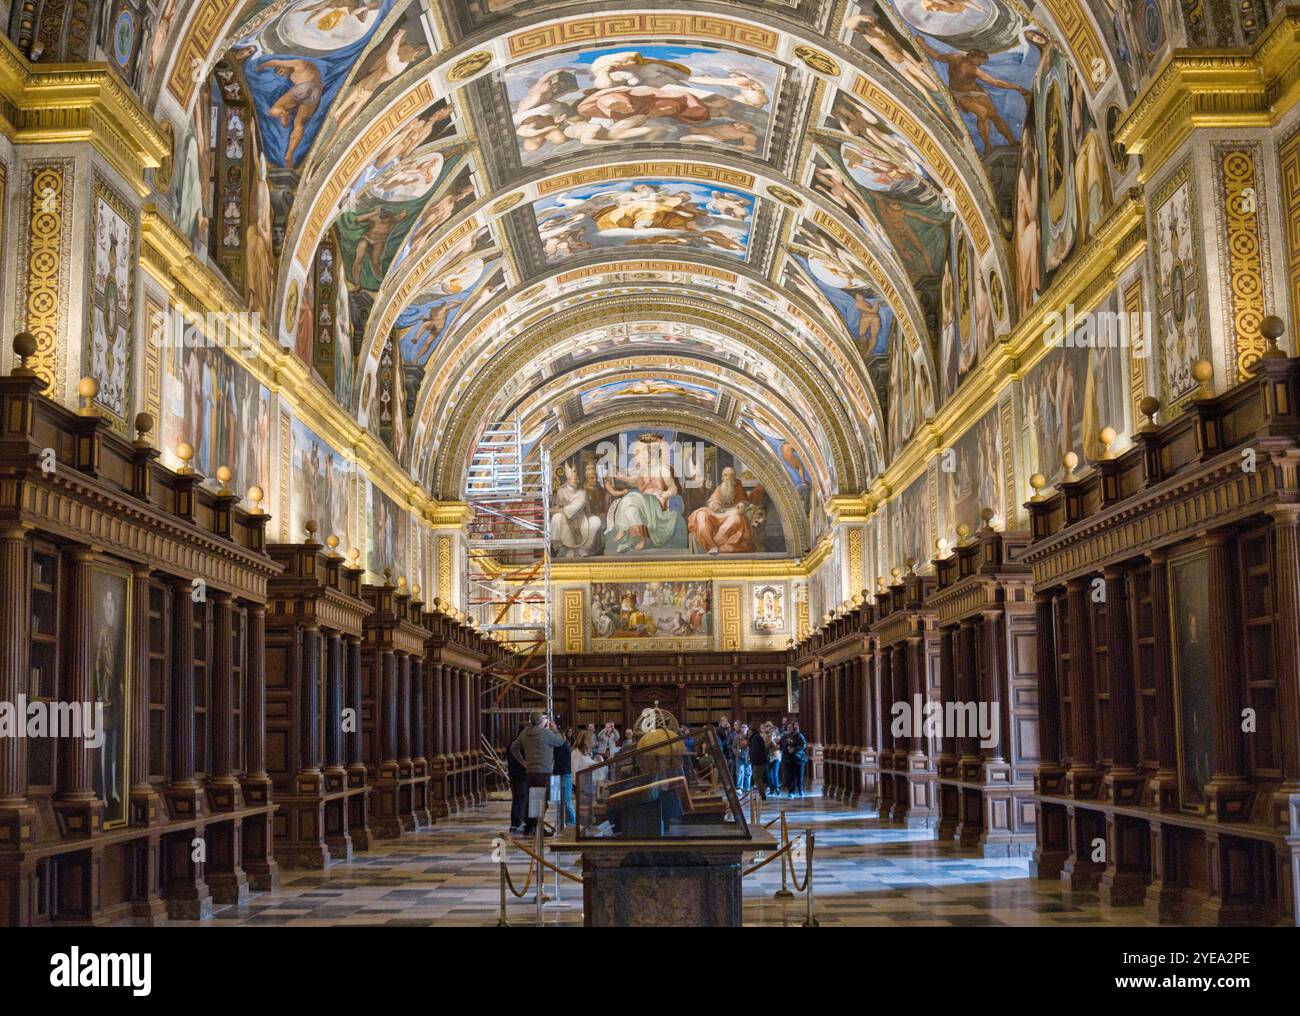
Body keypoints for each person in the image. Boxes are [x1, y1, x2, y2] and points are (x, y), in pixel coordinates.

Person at [510, 713, 566, 835]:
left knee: (531, 799)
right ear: (541, 722)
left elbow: (514, 747)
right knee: (542, 800)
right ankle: (538, 827)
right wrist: (555, 730)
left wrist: (523, 762)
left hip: (530, 772)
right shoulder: (545, 733)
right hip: (544, 771)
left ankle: (529, 826)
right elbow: (560, 741)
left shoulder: (524, 733)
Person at [506, 722, 529, 833]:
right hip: (521, 775)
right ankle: (518, 823)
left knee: (517, 799)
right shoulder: (521, 743)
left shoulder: (512, 742)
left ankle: (515, 823)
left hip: (513, 774)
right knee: (521, 798)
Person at [553, 731, 575, 827]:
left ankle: (572, 822)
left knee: (566, 800)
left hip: (564, 775)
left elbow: (553, 757)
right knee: (556, 801)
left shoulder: (563, 746)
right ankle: (560, 822)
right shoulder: (557, 747)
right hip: (556, 774)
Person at [781, 722, 808, 797]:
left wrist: (794, 749)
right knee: (789, 776)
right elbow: (781, 745)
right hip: (788, 759)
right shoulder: (784, 736)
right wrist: (786, 748)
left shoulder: (799, 735)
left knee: (799, 775)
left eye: (790, 728)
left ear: (794, 728)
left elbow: (804, 745)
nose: (789, 729)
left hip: (798, 759)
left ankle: (800, 790)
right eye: (788, 728)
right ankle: (791, 791)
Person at [748, 721, 770, 801]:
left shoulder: (755, 738)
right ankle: (761, 794)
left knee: (756, 777)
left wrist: (751, 758)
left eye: (748, 731)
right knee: (757, 777)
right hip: (760, 761)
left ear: (751, 731)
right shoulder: (755, 737)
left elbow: (756, 751)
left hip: (759, 761)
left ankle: (762, 795)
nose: (747, 733)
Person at [733, 723, 752, 793]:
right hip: (739, 757)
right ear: (740, 729)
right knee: (740, 772)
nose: (743, 729)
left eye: (745, 727)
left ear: (747, 729)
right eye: (742, 727)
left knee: (748, 772)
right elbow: (733, 747)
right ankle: (739, 788)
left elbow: (752, 746)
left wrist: (750, 755)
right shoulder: (736, 737)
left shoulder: (750, 737)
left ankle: (747, 787)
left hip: (748, 757)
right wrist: (737, 753)